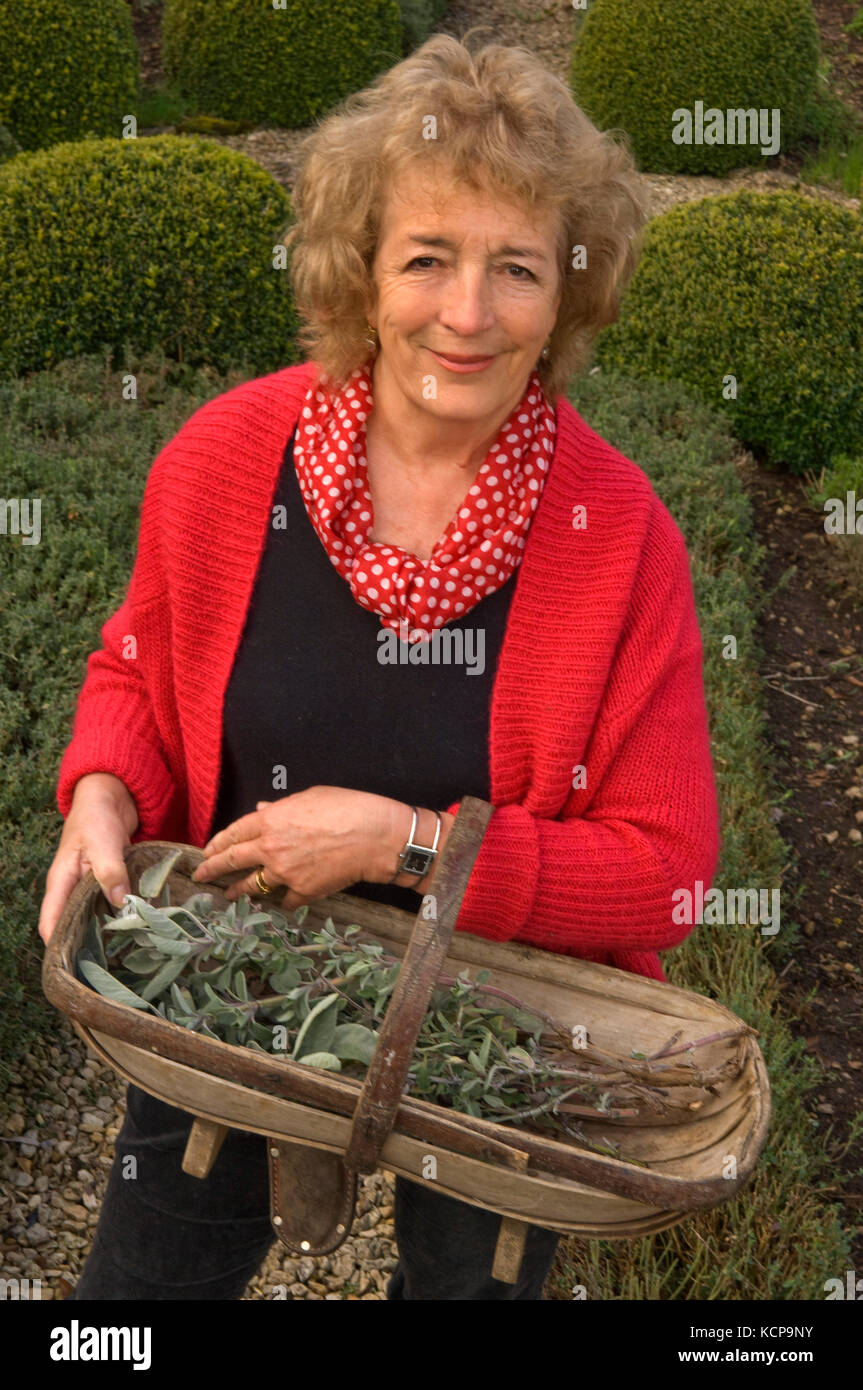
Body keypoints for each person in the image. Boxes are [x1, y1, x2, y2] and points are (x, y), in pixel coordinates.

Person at [38, 30, 721, 1300]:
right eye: (426, 259)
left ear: (569, 292)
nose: (466, 314)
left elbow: (666, 875)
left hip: (493, 1040)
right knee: (134, 1300)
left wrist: (407, 844)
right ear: (358, 271)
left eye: (514, 267)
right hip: (241, 969)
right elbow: (132, 667)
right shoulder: (223, 460)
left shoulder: (618, 540)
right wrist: (103, 790)